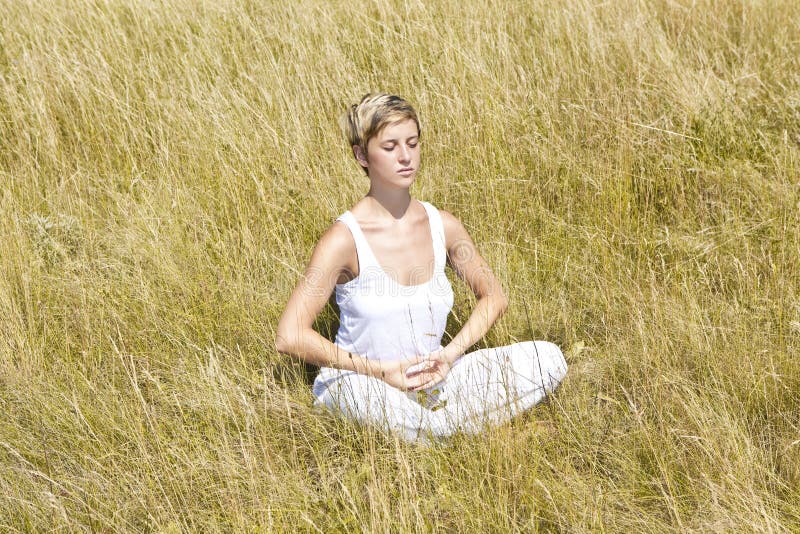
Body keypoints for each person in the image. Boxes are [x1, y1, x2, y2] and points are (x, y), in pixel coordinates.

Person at [275, 93, 567, 442]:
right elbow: (289, 335)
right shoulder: (343, 240)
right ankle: (465, 432)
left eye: (412, 143)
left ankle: (439, 429)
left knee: (548, 359)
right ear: (361, 155)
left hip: (433, 377)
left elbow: (494, 296)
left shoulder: (443, 225)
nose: (405, 156)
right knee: (421, 422)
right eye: (390, 147)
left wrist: (449, 355)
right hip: (360, 383)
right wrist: (382, 372)